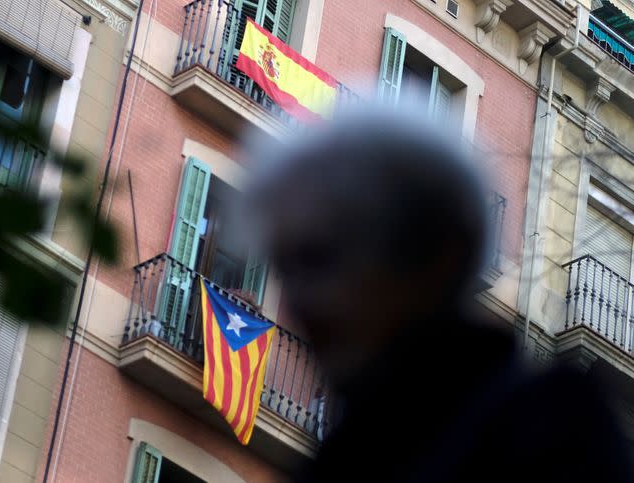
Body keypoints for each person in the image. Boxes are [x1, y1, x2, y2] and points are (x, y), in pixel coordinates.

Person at [243, 107, 633, 483]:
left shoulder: (550, 434)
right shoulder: (348, 459)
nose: (298, 302)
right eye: (288, 268)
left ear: (441, 253)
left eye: (323, 260)